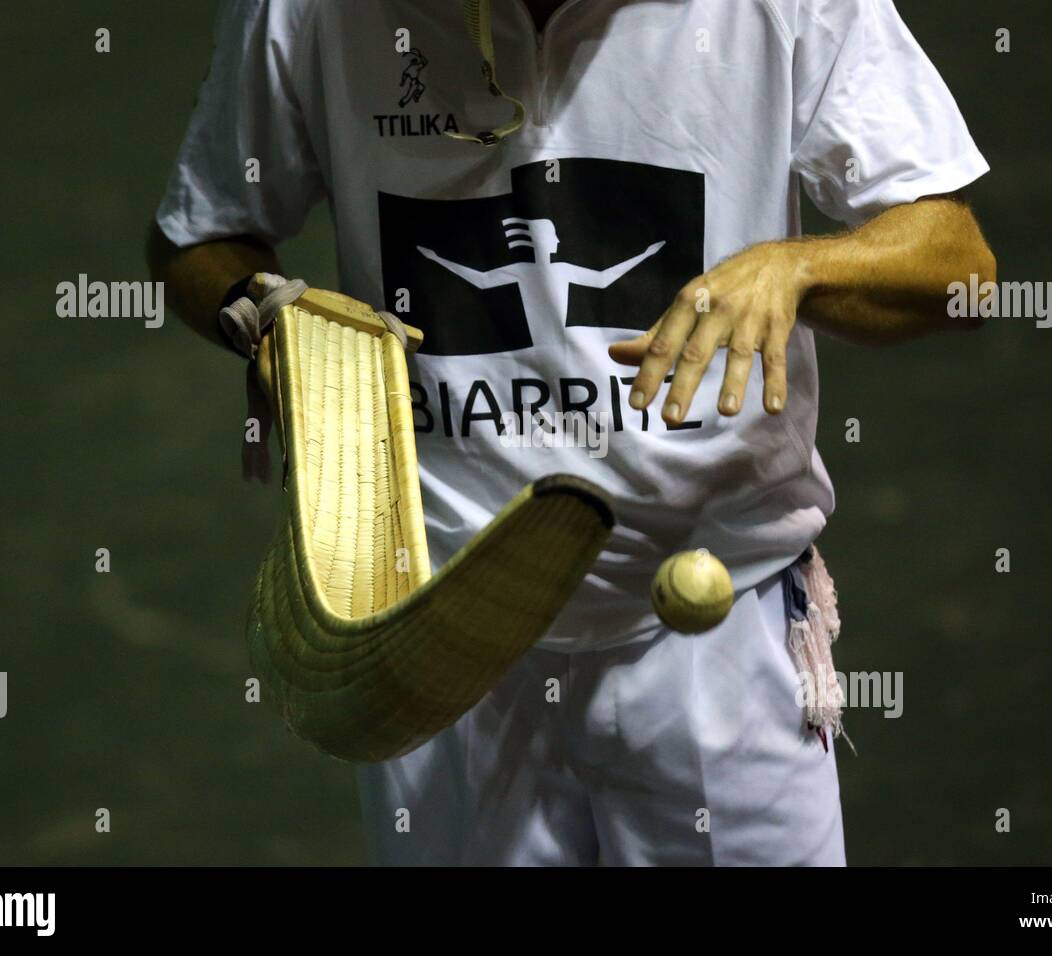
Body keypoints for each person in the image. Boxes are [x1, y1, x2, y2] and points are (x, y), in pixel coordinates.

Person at [148, 0, 995, 866]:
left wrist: (801, 266)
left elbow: (958, 263)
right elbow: (200, 236)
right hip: (440, 635)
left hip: (716, 621)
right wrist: (261, 314)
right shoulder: (312, 12)